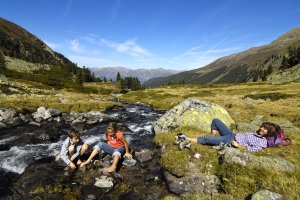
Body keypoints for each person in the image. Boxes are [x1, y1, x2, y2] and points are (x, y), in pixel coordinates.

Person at [178, 118, 276, 152]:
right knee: (216, 121)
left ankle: (184, 137)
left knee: (206, 139)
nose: (261, 128)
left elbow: (251, 149)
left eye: (264, 129)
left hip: (231, 141)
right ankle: (214, 137)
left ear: (268, 133)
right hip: (232, 134)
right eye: (262, 126)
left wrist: (238, 145)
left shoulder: (262, 142)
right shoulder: (257, 134)